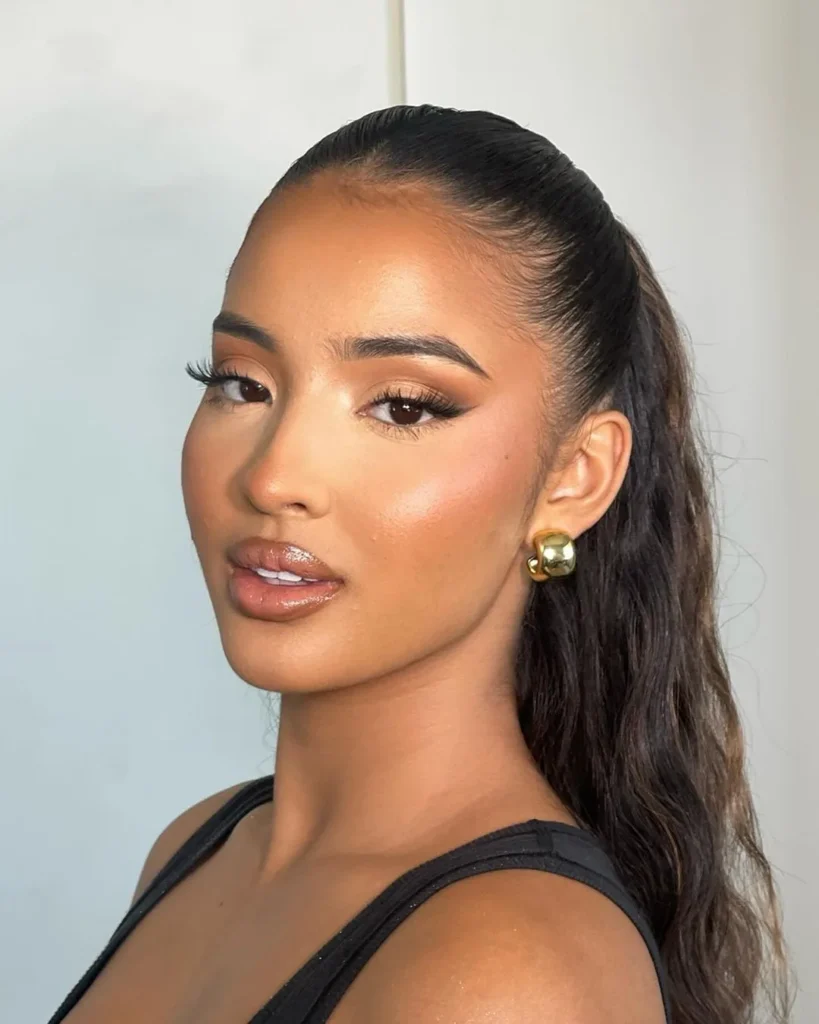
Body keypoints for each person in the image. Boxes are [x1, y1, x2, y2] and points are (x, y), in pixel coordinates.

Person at [48, 104, 793, 1024]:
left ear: (573, 476)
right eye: (243, 383)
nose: (273, 477)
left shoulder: (509, 976)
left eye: (402, 406)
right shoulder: (197, 847)